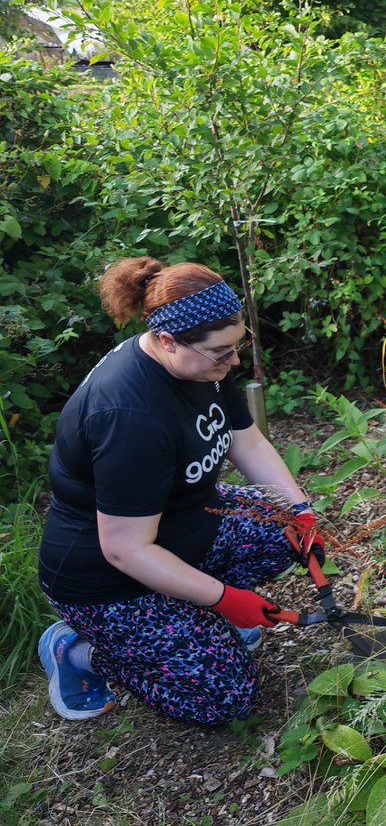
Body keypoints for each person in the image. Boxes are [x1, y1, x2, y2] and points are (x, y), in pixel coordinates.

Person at [37, 256, 326, 724]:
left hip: (181, 526)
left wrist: (302, 514)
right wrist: (227, 598)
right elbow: (126, 552)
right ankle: (75, 651)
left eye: (237, 346)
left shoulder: (198, 362)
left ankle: (190, 618)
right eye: (222, 353)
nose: (233, 361)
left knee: (283, 530)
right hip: (108, 580)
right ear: (168, 341)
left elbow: (244, 438)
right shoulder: (129, 417)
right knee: (224, 698)